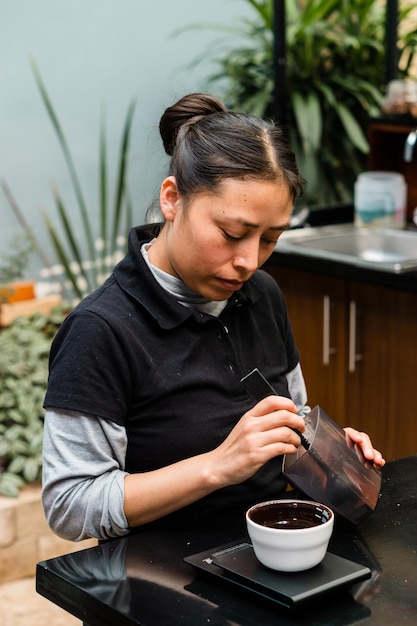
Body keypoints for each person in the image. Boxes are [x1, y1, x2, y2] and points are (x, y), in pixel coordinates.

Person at [42, 93, 385, 542]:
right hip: (155, 581)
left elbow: (291, 415)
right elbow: (71, 505)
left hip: (264, 554)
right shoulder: (100, 330)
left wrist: (326, 451)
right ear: (172, 199)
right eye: (232, 233)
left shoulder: (261, 293)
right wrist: (217, 466)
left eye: (269, 239)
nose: (249, 262)